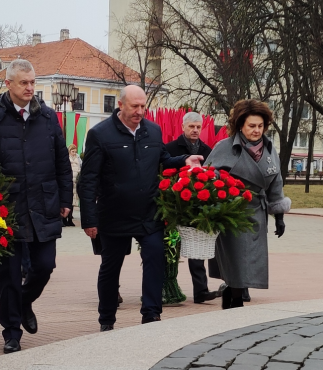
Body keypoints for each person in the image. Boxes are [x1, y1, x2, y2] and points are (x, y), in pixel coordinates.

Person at [0, 59, 73, 354]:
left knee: (45, 266)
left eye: (32, 82)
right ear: (9, 84)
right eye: (24, 83)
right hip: (8, 207)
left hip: (44, 202)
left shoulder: (48, 118)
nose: (29, 88)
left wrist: (66, 200)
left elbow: (62, 162)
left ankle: (25, 301)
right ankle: (11, 331)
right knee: (10, 274)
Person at [78, 85, 202, 331]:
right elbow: (88, 179)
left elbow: (163, 159)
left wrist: (183, 160)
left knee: (155, 258)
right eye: (134, 106)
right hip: (114, 214)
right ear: (121, 105)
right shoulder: (99, 134)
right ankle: (107, 319)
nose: (139, 111)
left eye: (143, 106)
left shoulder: (152, 131)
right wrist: (89, 219)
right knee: (111, 267)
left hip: (148, 213)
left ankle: (151, 315)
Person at [204, 100, 291, 309]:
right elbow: (207, 176)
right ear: (240, 125)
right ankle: (235, 300)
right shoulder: (224, 147)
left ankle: (234, 294)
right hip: (231, 211)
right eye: (252, 126)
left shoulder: (269, 149)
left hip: (257, 212)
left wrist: (279, 216)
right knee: (236, 259)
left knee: (250, 259)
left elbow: (276, 182)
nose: (256, 130)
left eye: (260, 126)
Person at [165, 111, 219, 303]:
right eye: (191, 126)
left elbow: (213, 173)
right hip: (172, 204)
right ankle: (168, 288)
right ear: (183, 127)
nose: (195, 130)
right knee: (170, 247)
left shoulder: (207, 150)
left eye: (198, 127)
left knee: (197, 247)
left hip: (197, 205)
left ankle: (201, 291)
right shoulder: (171, 148)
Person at [63, 144, 81, 227]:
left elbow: (80, 168)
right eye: (72, 151)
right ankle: (64, 219)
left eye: (75, 152)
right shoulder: (67, 158)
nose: (74, 153)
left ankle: (70, 218)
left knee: (73, 201)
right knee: (67, 200)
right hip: (68, 181)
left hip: (75, 182)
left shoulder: (78, 159)